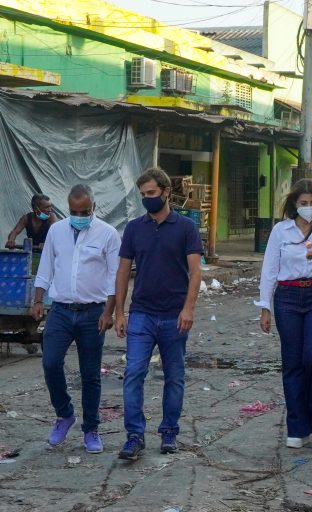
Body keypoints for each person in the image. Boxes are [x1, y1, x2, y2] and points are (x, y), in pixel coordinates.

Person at [115, 167, 203, 461]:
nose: (147, 199)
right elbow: (123, 271)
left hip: (174, 316)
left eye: (151, 193)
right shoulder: (134, 228)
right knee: (133, 374)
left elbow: (195, 272)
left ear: (166, 192)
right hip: (141, 313)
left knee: (174, 377)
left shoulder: (185, 227)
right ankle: (134, 436)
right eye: (142, 195)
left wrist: (188, 308)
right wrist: (119, 312)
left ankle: (169, 432)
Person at [32, 184, 120, 454]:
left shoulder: (108, 234)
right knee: (50, 363)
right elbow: (46, 266)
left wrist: (110, 311)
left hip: (93, 313)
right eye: (73, 211)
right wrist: (38, 300)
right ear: (67, 208)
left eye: (84, 211)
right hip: (60, 310)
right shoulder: (56, 231)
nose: (79, 215)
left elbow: (115, 277)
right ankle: (64, 414)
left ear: (94, 207)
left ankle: (91, 429)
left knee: (90, 374)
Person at [256, 179, 312, 448]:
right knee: (292, 363)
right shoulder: (280, 231)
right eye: (303, 203)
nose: (308, 208)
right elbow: (270, 268)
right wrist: (265, 306)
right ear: (294, 204)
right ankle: (297, 425)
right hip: (287, 299)